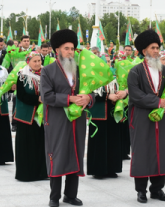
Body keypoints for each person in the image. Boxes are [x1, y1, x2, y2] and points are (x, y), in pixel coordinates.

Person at [41, 29, 95, 207]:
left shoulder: (80, 70)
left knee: (76, 154)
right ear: (57, 50)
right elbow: (47, 96)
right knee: (57, 156)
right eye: (66, 49)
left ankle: (70, 195)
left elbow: (92, 92)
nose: (70, 52)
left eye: (72, 48)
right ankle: (54, 197)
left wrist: (88, 98)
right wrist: (69, 99)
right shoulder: (48, 71)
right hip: (57, 121)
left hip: (77, 121)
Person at [127, 30, 165, 203]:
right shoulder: (135, 71)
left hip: (161, 118)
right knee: (142, 152)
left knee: (161, 151)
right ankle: (141, 191)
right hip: (141, 118)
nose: (156, 51)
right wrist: (158, 102)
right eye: (153, 48)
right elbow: (135, 95)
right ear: (144, 51)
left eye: (157, 48)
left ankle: (157, 189)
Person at [13, 51, 48, 181]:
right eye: (35, 61)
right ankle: (26, 174)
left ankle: (42, 172)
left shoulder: (46, 74)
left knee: (41, 143)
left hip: (42, 115)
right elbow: (21, 95)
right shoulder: (22, 75)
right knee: (27, 144)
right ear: (28, 62)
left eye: (39, 61)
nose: (38, 63)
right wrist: (37, 99)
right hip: (27, 115)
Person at [87, 80, 124, 179]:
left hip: (113, 111)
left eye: (108, 62)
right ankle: (98, 170)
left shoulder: (116, 75)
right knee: (99, 141)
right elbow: (88, 92)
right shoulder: (92, 75)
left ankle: (112, 168)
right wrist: (107, 96)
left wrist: (121, 94)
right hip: (99, 111)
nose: (108, 63)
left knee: (113, 140)